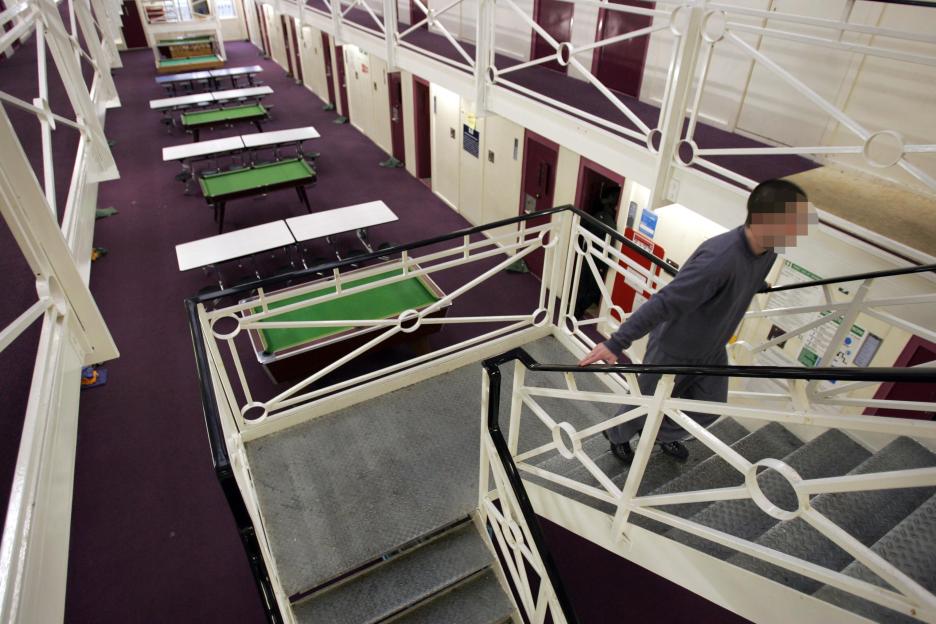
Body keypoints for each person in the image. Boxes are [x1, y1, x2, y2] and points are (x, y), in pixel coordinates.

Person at [578, 179, 811, 464]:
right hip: (673, 348)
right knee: (644, 402)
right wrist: (616, 342)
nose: (799, 230)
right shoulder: (719, 260)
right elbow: (665, 301)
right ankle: (617, 435)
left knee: (708, 407)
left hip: (712, 347)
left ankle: (660, 434)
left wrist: (755, 284)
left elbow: (748, 272)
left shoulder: (771, 251)